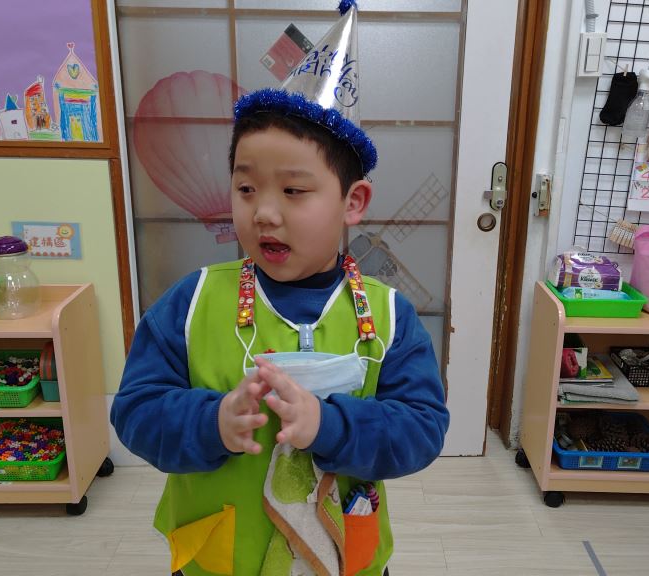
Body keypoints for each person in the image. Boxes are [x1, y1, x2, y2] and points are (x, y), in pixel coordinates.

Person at [111, 3, 448, 574]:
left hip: (344, 556)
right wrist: (211, 421)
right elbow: (135, 411)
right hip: (222, 558)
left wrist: (329, 426)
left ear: (353, 202)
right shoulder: (190, 304)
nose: (263, 212)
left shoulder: (391, 316)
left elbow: (421, 429)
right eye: (246, 189)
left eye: (293, 191)